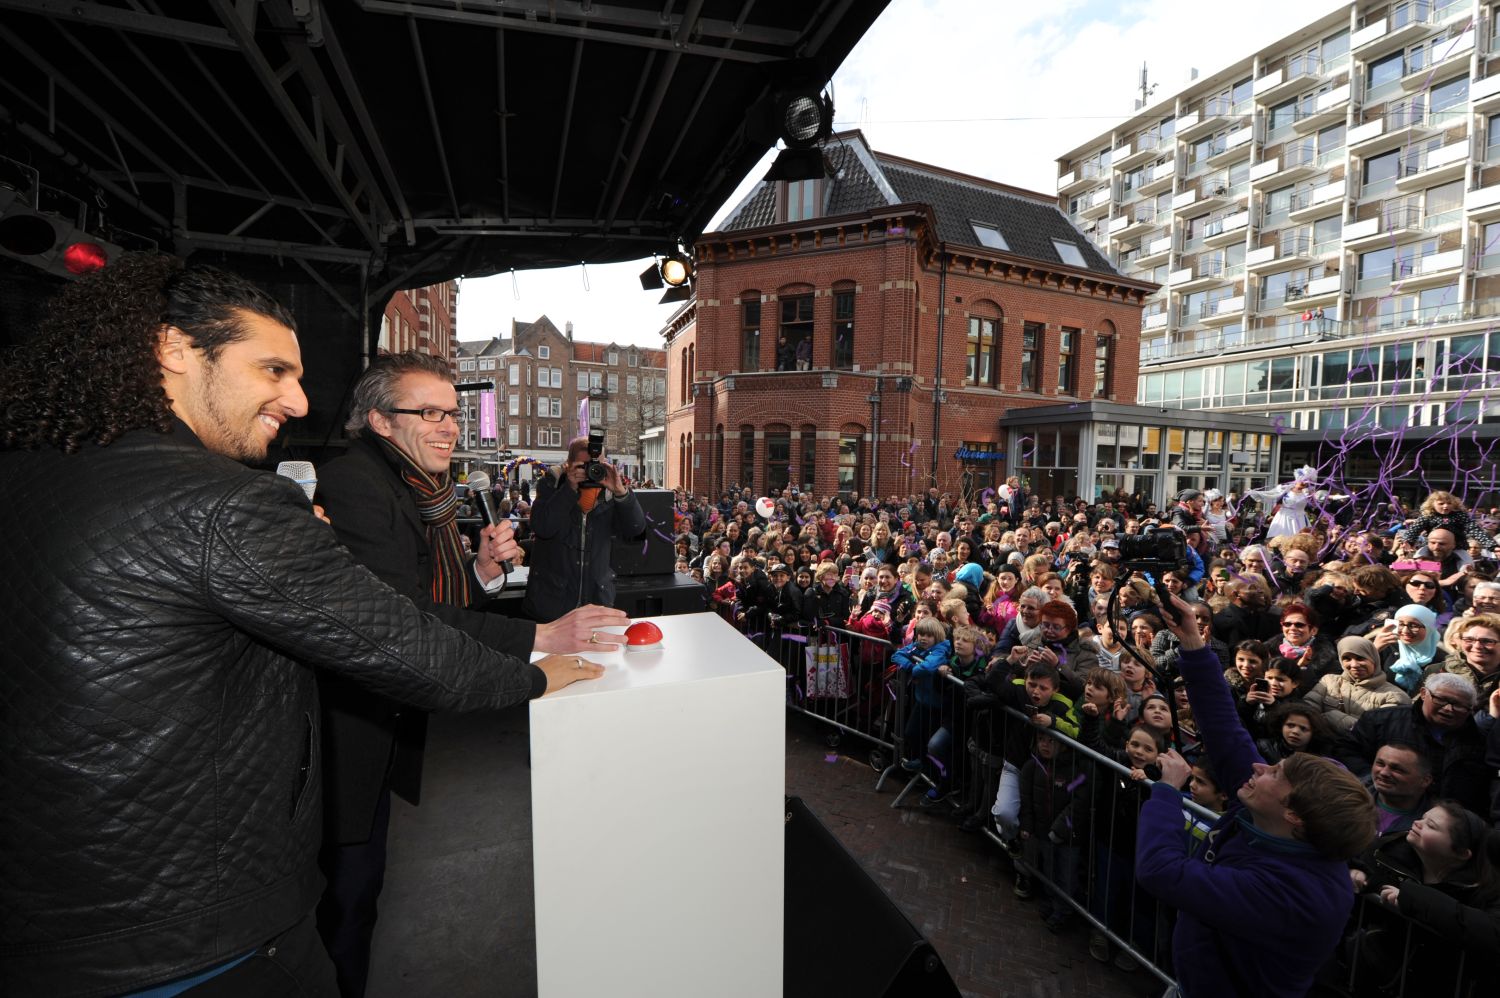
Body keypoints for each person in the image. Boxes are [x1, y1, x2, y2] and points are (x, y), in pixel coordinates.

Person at [0, 256, 604, 996]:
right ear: (175, 351)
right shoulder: (226, 504)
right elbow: (407, 646)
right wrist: (539, 671)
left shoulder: (37, 468)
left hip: (55, 917)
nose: (298, 399)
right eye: (273, 371)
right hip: (190, 930)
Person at [314, 353, 629, 995]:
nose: (449, 427)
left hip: (380, 731)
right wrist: (541, 636)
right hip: (345, 736)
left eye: (452, 413)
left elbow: (428, 605)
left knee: (361, 893)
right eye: (426, 412)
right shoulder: (357, 486)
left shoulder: (420, 494)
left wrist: (482, 574)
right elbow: (399, 623)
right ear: (378, 420)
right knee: (344, 905)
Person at [1135, 591, 1377, 998]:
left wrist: (1165, 794)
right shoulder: (1273, 819)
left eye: (1275, 773)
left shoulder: (1296, 895)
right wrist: (1193, 644)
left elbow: (1162, 871)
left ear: (1294, 814)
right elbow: (1226, 732)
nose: (1260, 767)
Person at [523, 434, 646, 622]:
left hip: (596, 601)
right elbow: (543, 528)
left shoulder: (610, 492)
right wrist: (569, 489)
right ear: (569, 464)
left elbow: (636, 529)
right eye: (583, 466)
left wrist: (621, 493)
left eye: (597, 464)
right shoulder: (553, 483)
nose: (591, 470)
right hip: (552, 604)